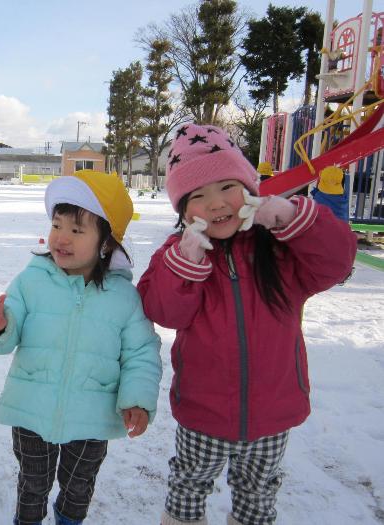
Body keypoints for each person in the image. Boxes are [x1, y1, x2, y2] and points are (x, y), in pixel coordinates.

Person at [136, 123, 357, 525]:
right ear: (183, 212)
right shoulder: (180, 253)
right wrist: (187, 263)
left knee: (258, 494)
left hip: (273, 413)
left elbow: (337, 262)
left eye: (227, 187)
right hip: (204, 412)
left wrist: (292, 218)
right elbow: (162, 310)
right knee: (188, 485)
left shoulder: (281, 250)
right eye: (197, 196)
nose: (216, 204)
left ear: (250, 190)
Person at [0, 170, 163, 525]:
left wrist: (137, 398)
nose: (61, 237)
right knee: (33, 483)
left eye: (77, 230)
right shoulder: (31, 280)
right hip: (32, 408)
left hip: (94, 414)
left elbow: (141, 352)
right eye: (58, 225)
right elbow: (8, 332)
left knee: (79, 485)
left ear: (106, 243)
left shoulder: (123, 297)